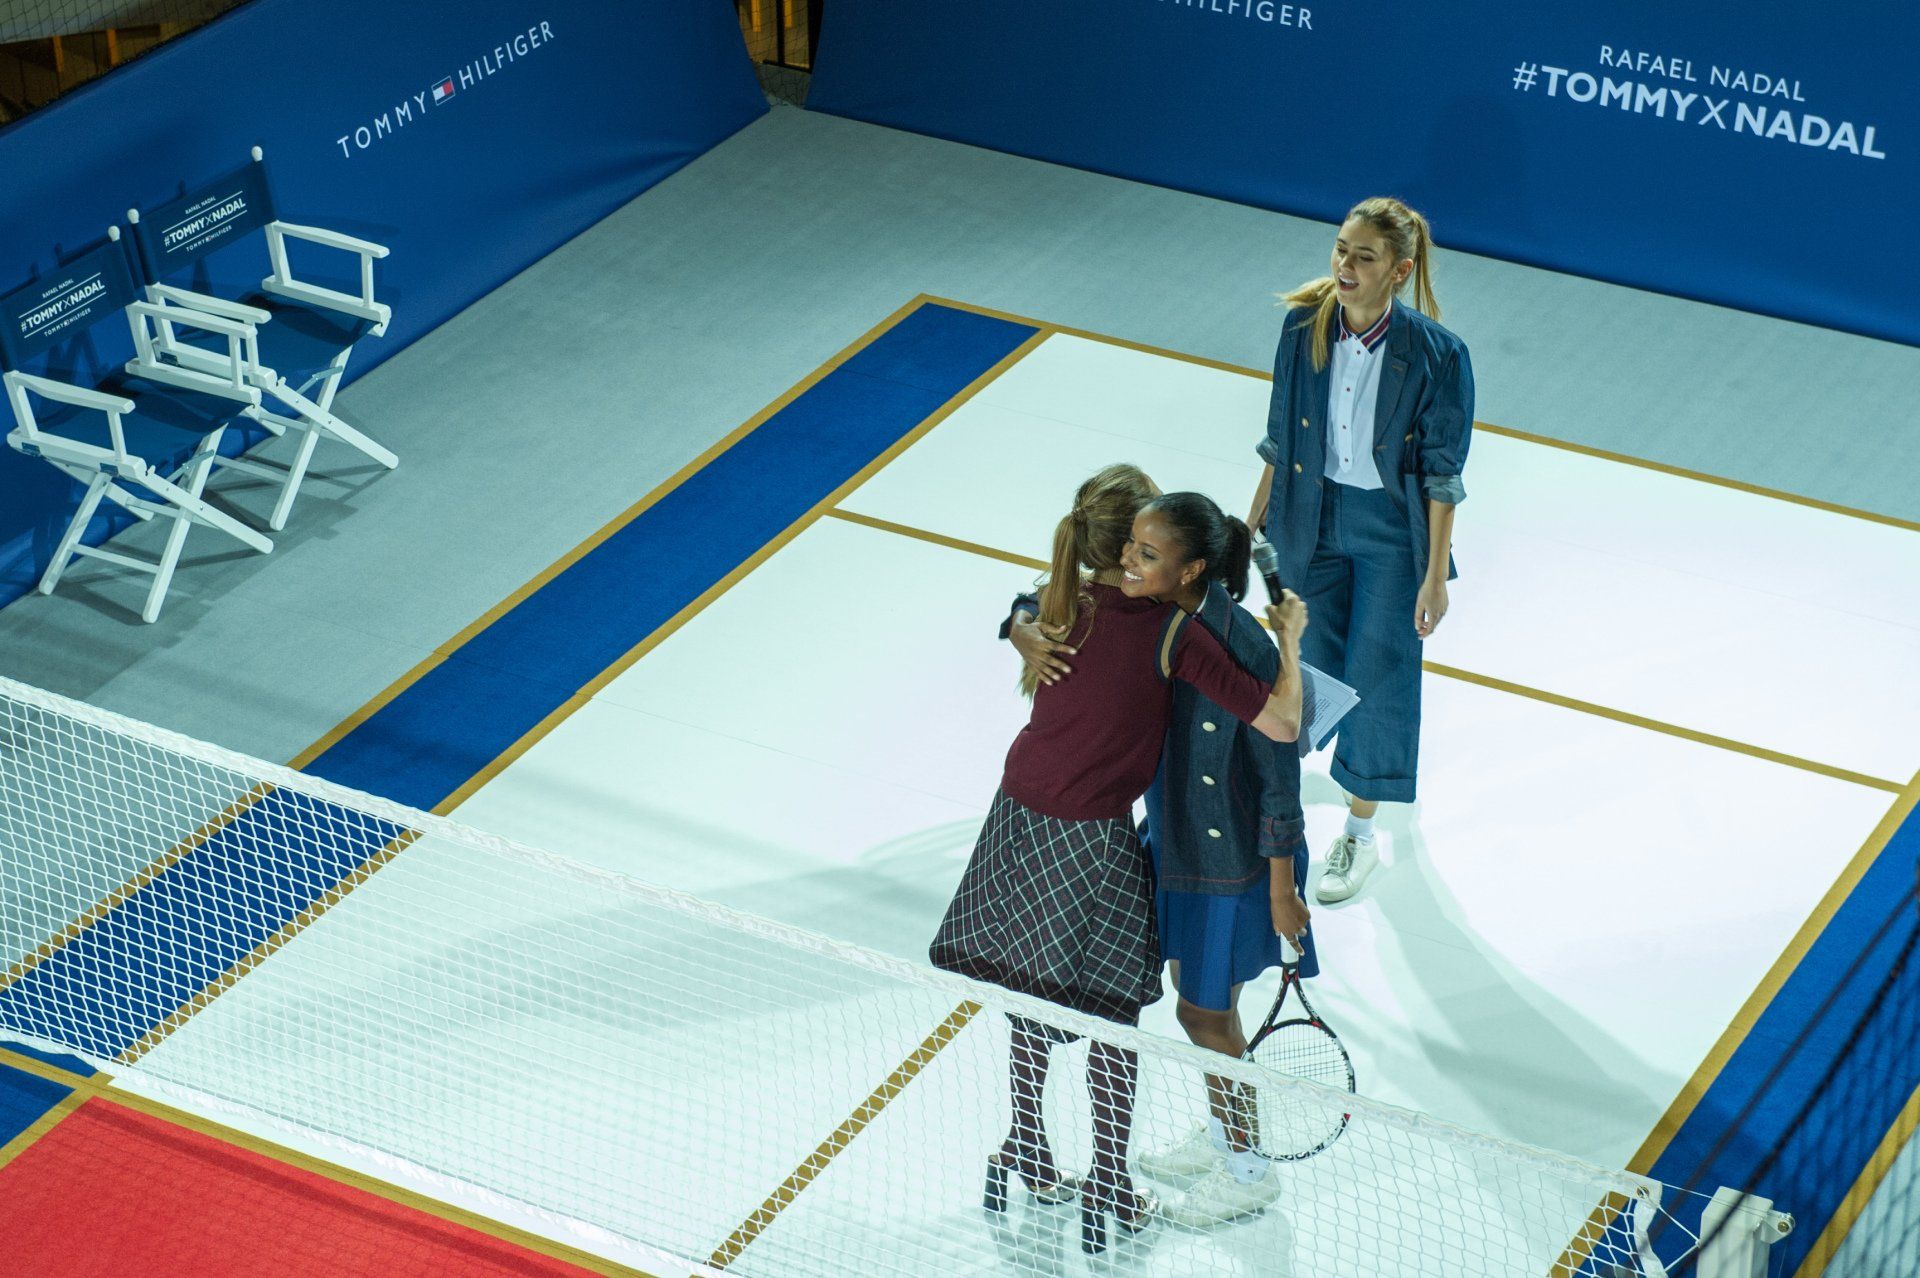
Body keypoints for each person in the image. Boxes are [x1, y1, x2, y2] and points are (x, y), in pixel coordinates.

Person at [931, 465, 1305, 1254]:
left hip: (1019, 818)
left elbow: (1028, 598)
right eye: (1136, 543)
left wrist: (1018, 625)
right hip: (1097, 839)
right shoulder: (1168, 629)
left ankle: (1031, 1146)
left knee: (1036, 995)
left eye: (1151, 548)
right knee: (1114, 1019)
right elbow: (1280, 725)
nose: (1140, 557)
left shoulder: (1064, 598)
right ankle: (1108, 1182)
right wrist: (1293, 643)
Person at [1248, 196, 1474, 904]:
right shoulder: (1301, 328)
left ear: (1399, 271)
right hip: (1307, 518)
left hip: (1389, 534)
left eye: (1364, 256)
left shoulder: (1439, 355)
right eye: (1342, 249)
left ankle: (1360, 832)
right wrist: (1250, 527)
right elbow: (1280, 439)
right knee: (1307, 666)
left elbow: (1442, 476)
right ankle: (1283, 799)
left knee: (1377, 677)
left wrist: (1434, 576)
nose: (1345, 265)